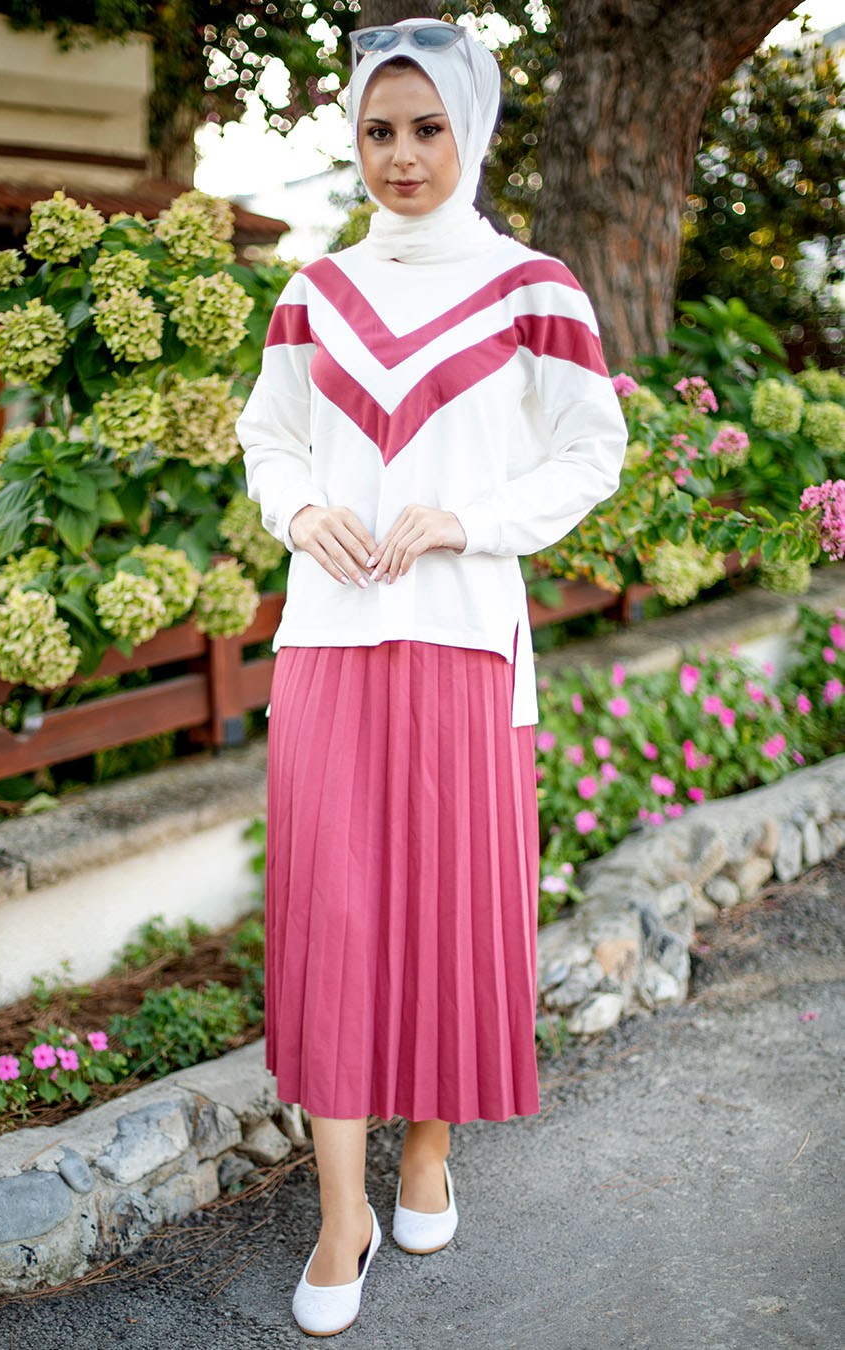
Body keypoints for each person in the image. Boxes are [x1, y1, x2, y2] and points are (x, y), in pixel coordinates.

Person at [235, 16, 629, 1337]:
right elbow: (270, 439)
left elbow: (591, 452)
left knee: (449, 910)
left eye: (428, 126)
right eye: (378, 128)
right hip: (328, 645)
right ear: (355, 135)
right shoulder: (316, 292)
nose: (402, 154)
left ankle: (423, 1157)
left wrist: (470, 519)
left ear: (472, 130)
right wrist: (298, 515)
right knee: (333, 918)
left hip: (468, 642)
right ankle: (343, 1210)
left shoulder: (533, 286)